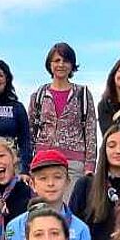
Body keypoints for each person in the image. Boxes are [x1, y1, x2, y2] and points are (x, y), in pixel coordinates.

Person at [2, 151, 96, 240]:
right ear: (33, 184)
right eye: (43, 178)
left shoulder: (81, 229)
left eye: (57, 177)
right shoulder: (16, 226)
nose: (51, 183)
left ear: (68, 182)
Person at [28, 42, 97, 190]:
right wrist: (28, 163)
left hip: (74, 163)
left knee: (70, 209)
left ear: (72, 65)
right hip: (44, 160)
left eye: (66, 61)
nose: (61, 65)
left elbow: (91, 132)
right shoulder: (39, 95)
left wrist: (90, 166)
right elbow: (30, 131)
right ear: (50, 64)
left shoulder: (82, 94)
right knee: (44, 210)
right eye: (57, 60)